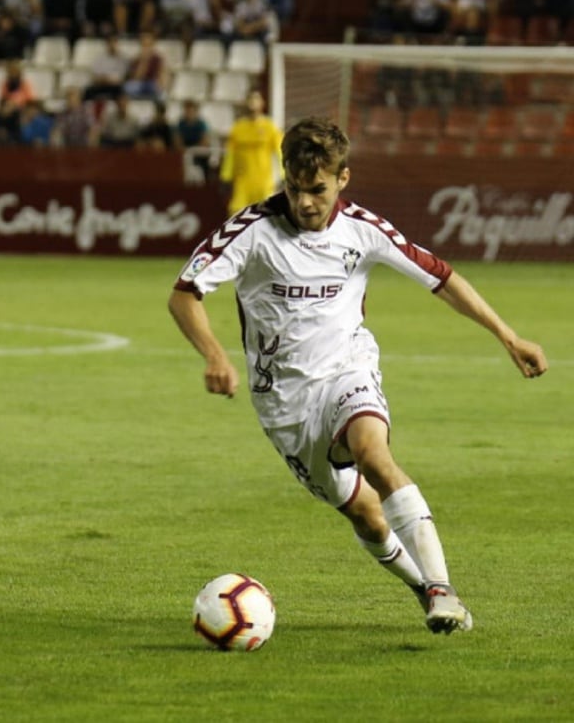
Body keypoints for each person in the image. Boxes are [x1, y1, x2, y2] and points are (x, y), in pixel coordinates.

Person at [167, 116, 548, 635]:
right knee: (366, 515)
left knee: (374, 453)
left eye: (317, 190)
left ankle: (443, 589)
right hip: (284, 405)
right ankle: (423, 589)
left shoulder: (363, 230)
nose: (304, 202)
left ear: (343, 178)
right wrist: (214, 354)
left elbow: (442, 277)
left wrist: (509, 336)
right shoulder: (251, 231)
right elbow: (184, 293)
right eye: (296, 188)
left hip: (348, 370)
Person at [219, 89, 281, 214]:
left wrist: (284, 175)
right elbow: (230, 155)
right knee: (235, 215)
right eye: (250, 98)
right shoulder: (238, 128)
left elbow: (280, 152)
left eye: (256, 98)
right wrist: (225, 176)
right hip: (242, 182)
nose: (253, 102)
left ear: (262, 102)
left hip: (264, 183)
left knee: (266, 217)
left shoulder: (270, 127)